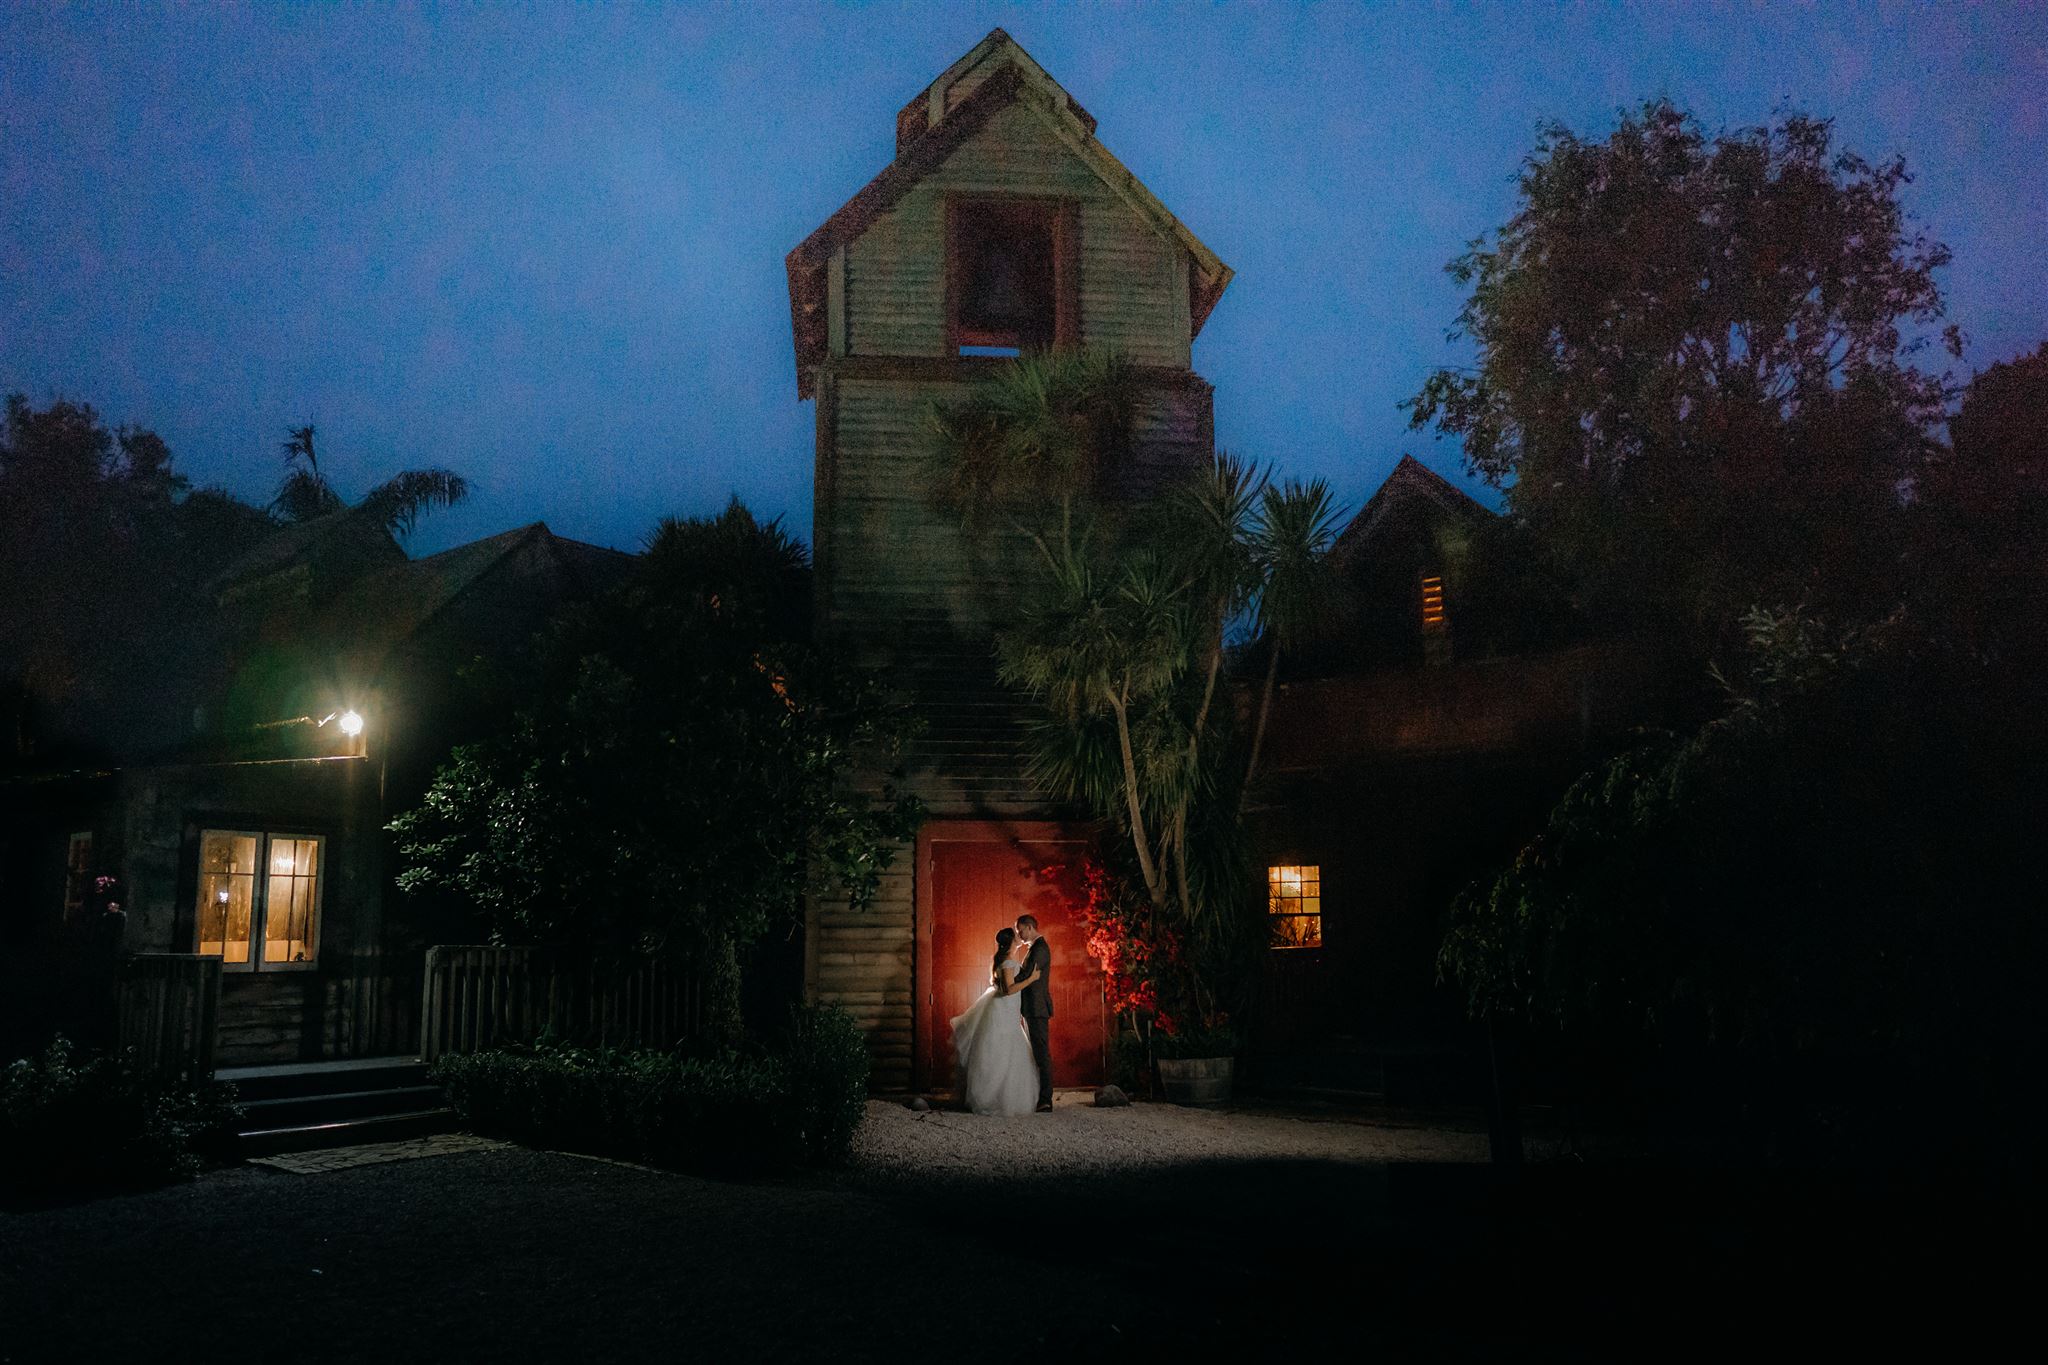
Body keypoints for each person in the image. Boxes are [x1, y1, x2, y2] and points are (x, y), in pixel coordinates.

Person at [949, 927, 1041, 1116]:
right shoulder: (1007, 962)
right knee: (1002, 1049)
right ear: (1011, 942)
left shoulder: (1004, 959)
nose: (1019, 937)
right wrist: (1031, 978)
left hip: (1005, 1009)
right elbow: (1009, 989)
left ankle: (999, 1095)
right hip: (1003, 1009)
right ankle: (995, 1099)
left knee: (1005, 1050)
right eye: (1016, 936)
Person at [1014, 913, 1054, 1112]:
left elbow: (1027, 975)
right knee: (1037, 1052)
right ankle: (1040, 1095)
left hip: (1037, 1008)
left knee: (1041, 1053)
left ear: (1029, 928)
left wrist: (1006, 978)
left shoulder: (1040, 949)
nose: (1019, 935)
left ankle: (1046, 1099)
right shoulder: (1035, 948)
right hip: (1032, 1007)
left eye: (1020, 930)